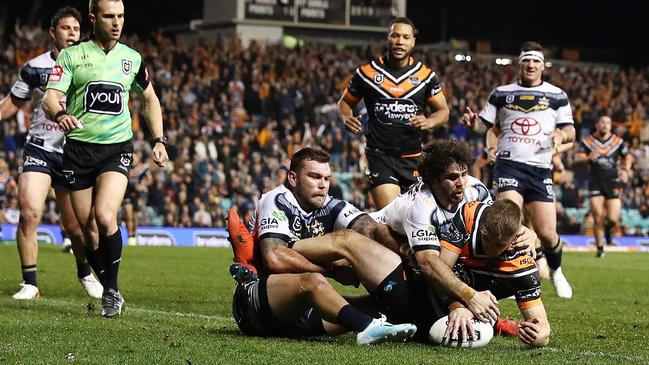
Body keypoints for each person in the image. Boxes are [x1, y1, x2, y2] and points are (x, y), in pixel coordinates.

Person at [43, 0, 168, 317]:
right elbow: (50, 97)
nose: (117, 22)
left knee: (105, 216)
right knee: (88, 231)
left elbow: (150, 98)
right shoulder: (73, 56)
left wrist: (158, 140)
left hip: (116, 148)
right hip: (78, 151)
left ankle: (110, 290)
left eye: (121, 16)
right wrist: (60, 113)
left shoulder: (132, 59)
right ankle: (110, 286)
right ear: (93, 17)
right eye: (110, 16)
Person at [229, 147, 417, 344]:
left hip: (300, 315)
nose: (322, 185)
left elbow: (370, 228)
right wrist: (332, 270)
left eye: (326, 179)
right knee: (313, 280)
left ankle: (410, 321)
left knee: (380, 306)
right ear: (293, 178)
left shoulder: (331, 205)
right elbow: (274, 258)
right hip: (256, 305)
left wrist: (405, 250)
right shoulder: (277, 199)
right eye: (314, 177)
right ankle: (366, 328)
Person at [0, 6, 103, 300]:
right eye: (66, 28)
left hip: (74, 152)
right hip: (40, 148)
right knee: (30, 213)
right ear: (52, 33)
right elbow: (13, 103)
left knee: (76, 225)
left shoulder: (91, 64)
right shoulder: (35, 67)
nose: (72, 33)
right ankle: (30, 283)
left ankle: (85, 272)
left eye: (75, 29)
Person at [461, 41, 576, 298]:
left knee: (547, 233)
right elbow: (483, 125)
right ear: (520, 64)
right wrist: (472, 124)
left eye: (536, 61)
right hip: (509, 166)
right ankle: (509, 278)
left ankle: (556, 271)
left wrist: (561, 134)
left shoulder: (557, 95)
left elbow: (571, 131)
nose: (531, 65)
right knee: (508, 223)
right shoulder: (501, 92)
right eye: (527, 61)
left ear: (543, 66)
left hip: (540, 169)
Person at [338, 17, 449, 209]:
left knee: (414, 219)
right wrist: (346, 117)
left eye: (406, 37)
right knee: (392, 215)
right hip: (379, 156)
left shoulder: (426, 76)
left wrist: (430, 122)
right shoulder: (367, 73)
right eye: (395, 35)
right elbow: (345, 102)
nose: (400, 41)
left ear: (413, 42)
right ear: (388, 38)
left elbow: (443, 111)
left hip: (413, 159)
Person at [439, 199, 551, 347]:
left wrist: (536, 336)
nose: (489, 247)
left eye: (498, 244)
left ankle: (493, 321)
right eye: (486, 238)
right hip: (452, 288)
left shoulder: (523, 269)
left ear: (514, 239)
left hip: (483, 296)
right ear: (483, 226)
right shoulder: (470, 214)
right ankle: (497, 323)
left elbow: (543, 329)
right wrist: (456, 305)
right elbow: (439, 272)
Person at [576, 116, 632, 257]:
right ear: (597, 124)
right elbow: (578, 157)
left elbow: (628, 157)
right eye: (602, 122)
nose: (605, 125)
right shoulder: (588, 141)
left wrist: (625, 170)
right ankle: (600, 249)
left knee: (613, 219)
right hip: (595, 181)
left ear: (611, 125)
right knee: (598, 216)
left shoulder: (617, 142)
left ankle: (608, 230)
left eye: (608, 123)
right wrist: (588, 158)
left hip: (613, 182)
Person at [122, 149, 152, 246]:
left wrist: (142, 185)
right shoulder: (125, 167)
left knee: (135, 218)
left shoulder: (143, 168)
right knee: (128, 215)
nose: (133, 159)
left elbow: (149, 180)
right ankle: (129, 235)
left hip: (137, 195)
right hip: (127, 194)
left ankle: (134, 235)